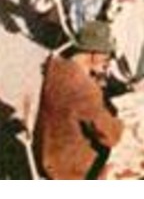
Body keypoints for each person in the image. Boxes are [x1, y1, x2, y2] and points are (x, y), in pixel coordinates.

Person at [32, 21, 124, 180]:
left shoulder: (56, 65)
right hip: (66, 168)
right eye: (107, 55)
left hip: (44, 150)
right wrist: (121, 123)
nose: (108, 61)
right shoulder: (86, 90)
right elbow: (110, 137)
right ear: (94, 54)